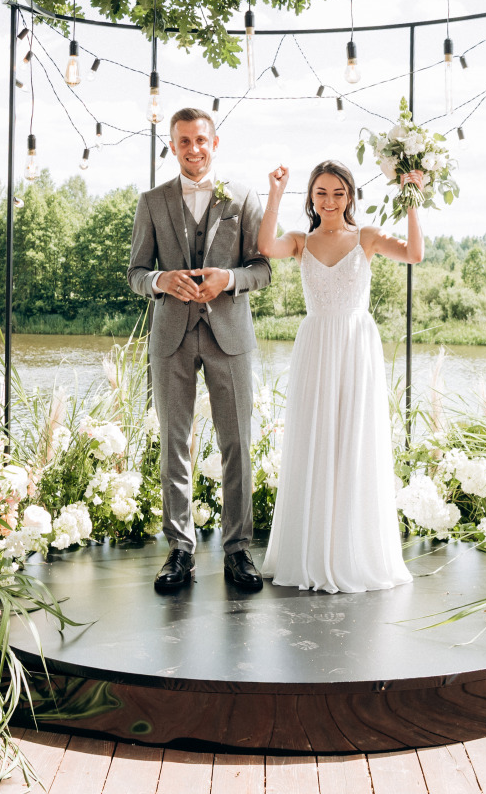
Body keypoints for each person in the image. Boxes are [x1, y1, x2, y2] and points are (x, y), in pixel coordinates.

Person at [257, 160, 425, 593]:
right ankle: (310, 551)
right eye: (320, 193)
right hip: (315, 345)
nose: (329, 201)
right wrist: (275, 193)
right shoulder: (299, 241)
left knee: (354, 439)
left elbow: (414, 254)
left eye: (337, 193)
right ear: (310, 197)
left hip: (355, 346)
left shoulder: (365, 237)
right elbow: (264, 247)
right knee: (314, 439)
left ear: (350, 196)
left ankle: (354, 552)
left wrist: (412, 201)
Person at [128, 108, 272, 592]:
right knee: (174, 444)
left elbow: (263, 270)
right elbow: (135, 274)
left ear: (215, 142)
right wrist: (160, 281)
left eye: (201, 140)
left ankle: (238, 550)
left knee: (237, 445)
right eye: (184, 141)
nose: (193, 149)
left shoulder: (244, 197)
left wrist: (228, 279)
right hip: (170, 336)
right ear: (172, 146)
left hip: (229, 336)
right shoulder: (151, 201)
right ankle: (179, 550)